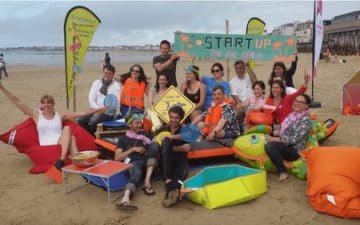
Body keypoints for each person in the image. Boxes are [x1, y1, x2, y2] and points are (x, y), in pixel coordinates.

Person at [0, 80, 106, 169]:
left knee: (68, 130)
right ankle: (71, 160)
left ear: (53, 104)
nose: (46, 105)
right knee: (71, 137)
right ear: (41, 104)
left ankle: (64, 159)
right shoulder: (36, 116)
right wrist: (3, 88)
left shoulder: (60, 115)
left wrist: (98, 109)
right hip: (46, 143)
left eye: (49, 102)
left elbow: (81, 113)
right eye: (44, 102)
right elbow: (18, 102)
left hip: (60, 142)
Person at [114, 114, 158, 211]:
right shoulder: (123, 139)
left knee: (154, 144)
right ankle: (125, 199)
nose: (139, 125)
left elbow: (153, 147)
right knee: (137, 171)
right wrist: (133, 149)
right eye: (136, 123)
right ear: (129, 125)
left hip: (148, 164)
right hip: (133, 163)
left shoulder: (145, 135)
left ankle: (146, 182)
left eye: (140, 123)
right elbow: (117, 158)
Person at [265, 94, 312, 182]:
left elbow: (294, 139)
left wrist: (274, 139)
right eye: (296, 101)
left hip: (294, 149)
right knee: (264, 136)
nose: (297, 103)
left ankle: (283, 171)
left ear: (306, 106)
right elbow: (284, 130)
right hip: (284, 143)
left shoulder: (306, 120)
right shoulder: (293, 115)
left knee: (270, 146)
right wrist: (270, 132)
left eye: (301, 102)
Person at [154, 106, 191, 207]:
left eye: (176, 118)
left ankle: (171, 191)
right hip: (166, 161)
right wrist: (179, 148)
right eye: (172, 117)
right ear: (169, 117)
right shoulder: (162, 129)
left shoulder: (185, 130)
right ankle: (171, 186)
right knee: (165, 143)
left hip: (180, 160)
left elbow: (188, 147)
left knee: (181, 175)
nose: (173, 120)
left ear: (181, 118)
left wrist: (171, 141)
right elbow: (158, 146)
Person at [78, 64, 121, 137]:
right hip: (94, 109)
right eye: (105, 72)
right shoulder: (97, 82)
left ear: (113, 74)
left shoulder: (116, 85)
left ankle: (92, 137)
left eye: (109, 73)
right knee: (81, 120)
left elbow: (115, 101)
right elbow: (91, 98)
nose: (107, 75)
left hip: (107, 112)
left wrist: (102, 110)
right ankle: (91, 136)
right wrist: (97, 109)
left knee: (93, 122)